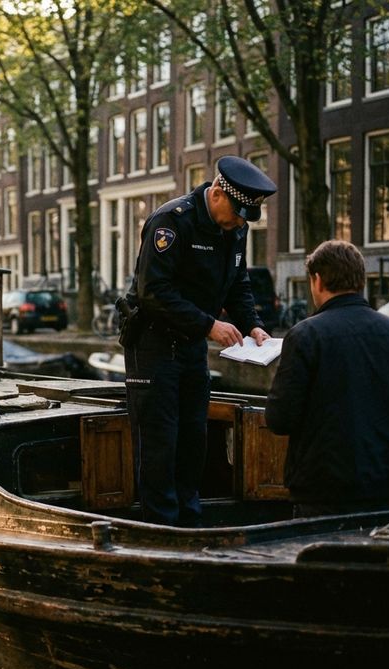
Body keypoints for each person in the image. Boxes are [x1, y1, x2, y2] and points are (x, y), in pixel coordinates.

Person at [123, 156, 277, 526]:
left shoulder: (234, 229)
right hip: (153, 345)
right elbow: (153, 292)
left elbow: (237, 285)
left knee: (194, 437)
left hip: (191, 346)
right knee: (160, 442)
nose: (240, 223)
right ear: (218, 193)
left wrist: (253, 325)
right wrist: (209, 325)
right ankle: (159, 529)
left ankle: (190, 522)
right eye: (239, 213)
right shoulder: (172, 222)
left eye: (246, 217)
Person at [265, 240, 389, 516]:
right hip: (388, 486)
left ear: (317, 280)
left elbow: (280, 419)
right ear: (361, 281)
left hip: (324, 490)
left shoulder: (305, 336)